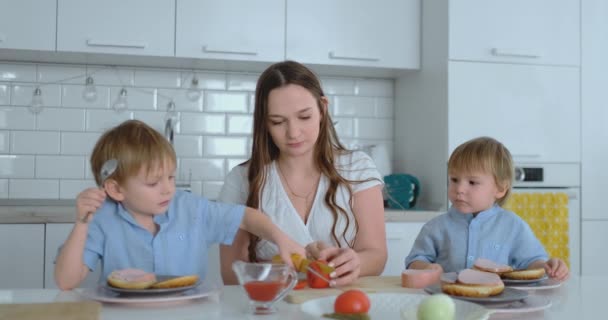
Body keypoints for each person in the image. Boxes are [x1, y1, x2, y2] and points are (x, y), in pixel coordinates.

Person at [54, 120, 305, 290]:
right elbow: (66, 282)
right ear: (116, 189)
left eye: (171, 177)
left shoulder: (191, 209)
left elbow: (246, 217)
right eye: (153, 182)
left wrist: (279, 238)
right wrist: (81, 223)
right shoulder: (103, 219)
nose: (167, 188)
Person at [218, 60, 387, 287]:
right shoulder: (240, 180)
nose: (293, 133)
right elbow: (231, 276)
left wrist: (356, 262)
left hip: (338, 305)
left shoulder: (357, 167)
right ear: (264, 123)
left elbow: (376, 256)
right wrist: (293, 265)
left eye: (304, 117)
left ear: (322, 109)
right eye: (278, 122)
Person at [405, 136, 569, 281]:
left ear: (500, 189)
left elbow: (532, 263)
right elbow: (414, 262)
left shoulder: (513, 226)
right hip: (449, 305)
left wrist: (549, 266)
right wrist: (426, 268)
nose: (459, 189)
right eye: (454, 179)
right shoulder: (436, 227)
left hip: (499, 307)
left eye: (472, 182)